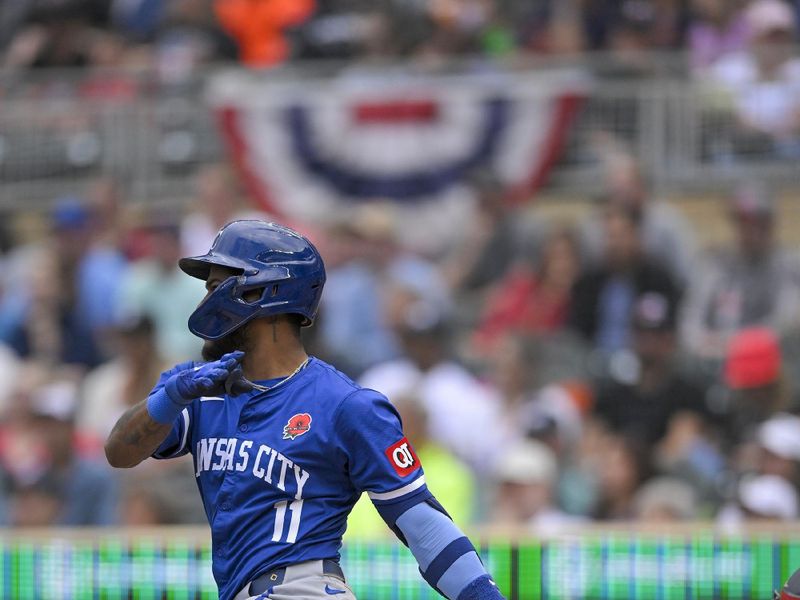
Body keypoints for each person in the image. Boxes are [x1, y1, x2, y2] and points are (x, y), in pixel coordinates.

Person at [104, 220, 505, 600]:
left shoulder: (344, 404)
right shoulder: (199, 386)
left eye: (215, 287)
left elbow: (424, 525)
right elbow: (119, 453)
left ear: (260, 292)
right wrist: (170, 397)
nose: (206, 300)